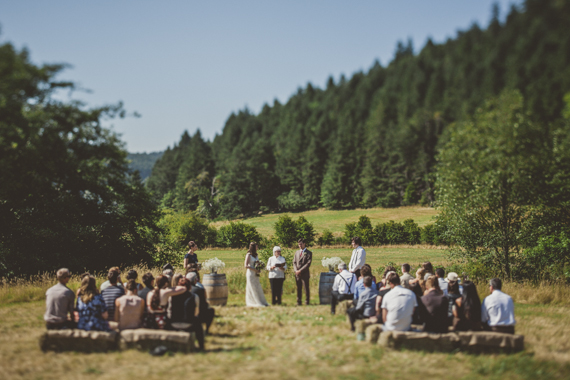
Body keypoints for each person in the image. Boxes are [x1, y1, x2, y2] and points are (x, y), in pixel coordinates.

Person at [169, 278, 205, 351]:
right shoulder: (194, 296)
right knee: (198, 323)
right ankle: (201, 345)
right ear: (190, 287)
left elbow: (169, 311)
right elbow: (196, 313)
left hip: (173, 323)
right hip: (189, 323)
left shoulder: (171, 296)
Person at [244, 241, 268, 307]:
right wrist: (254, 269)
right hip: (250, 273)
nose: (257, 248)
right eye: (256, 247)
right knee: (252, 287)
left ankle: (261, 301)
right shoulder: (248, 255)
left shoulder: (256, 255)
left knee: (257, 286)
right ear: (253, 247)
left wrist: (260, 267)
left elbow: (257, 263)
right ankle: (254, 302)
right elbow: (246, 265)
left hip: (256, 273)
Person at [293, 238, 312, 306]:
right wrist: (296, 270)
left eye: (301, 244)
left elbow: (308, 264)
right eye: (299, 244)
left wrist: (300, 271)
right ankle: (299, 301)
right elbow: (294, 262)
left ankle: (307, 301)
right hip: (297, 273)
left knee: (306, 288)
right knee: (298, 288)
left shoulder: (309, 253)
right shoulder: (297, 252)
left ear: (304, 244)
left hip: (304, 273)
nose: (300, 246)